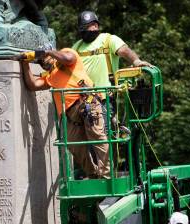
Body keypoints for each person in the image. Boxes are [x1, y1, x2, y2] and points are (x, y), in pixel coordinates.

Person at [20, 46, 111, 178]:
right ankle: (93, 174)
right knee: (74, 145)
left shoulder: (68, 55)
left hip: (87, 102)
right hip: (69, 114)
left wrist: (47, 52)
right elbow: (33, 85)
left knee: (97, 136)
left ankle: (106, 175)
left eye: (44, 58)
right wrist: (25, 63)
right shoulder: (50, 77)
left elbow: (68, 59)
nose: (43, 63)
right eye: (40, 62)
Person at [72, 10, 151, 88]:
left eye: (86, 27)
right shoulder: (77, 46)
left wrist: (136, 61)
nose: (84, 31)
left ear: (95, 26)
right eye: (82, 29)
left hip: (106, 95)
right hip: (83, 96)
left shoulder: (108, 39)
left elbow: (124, 51)